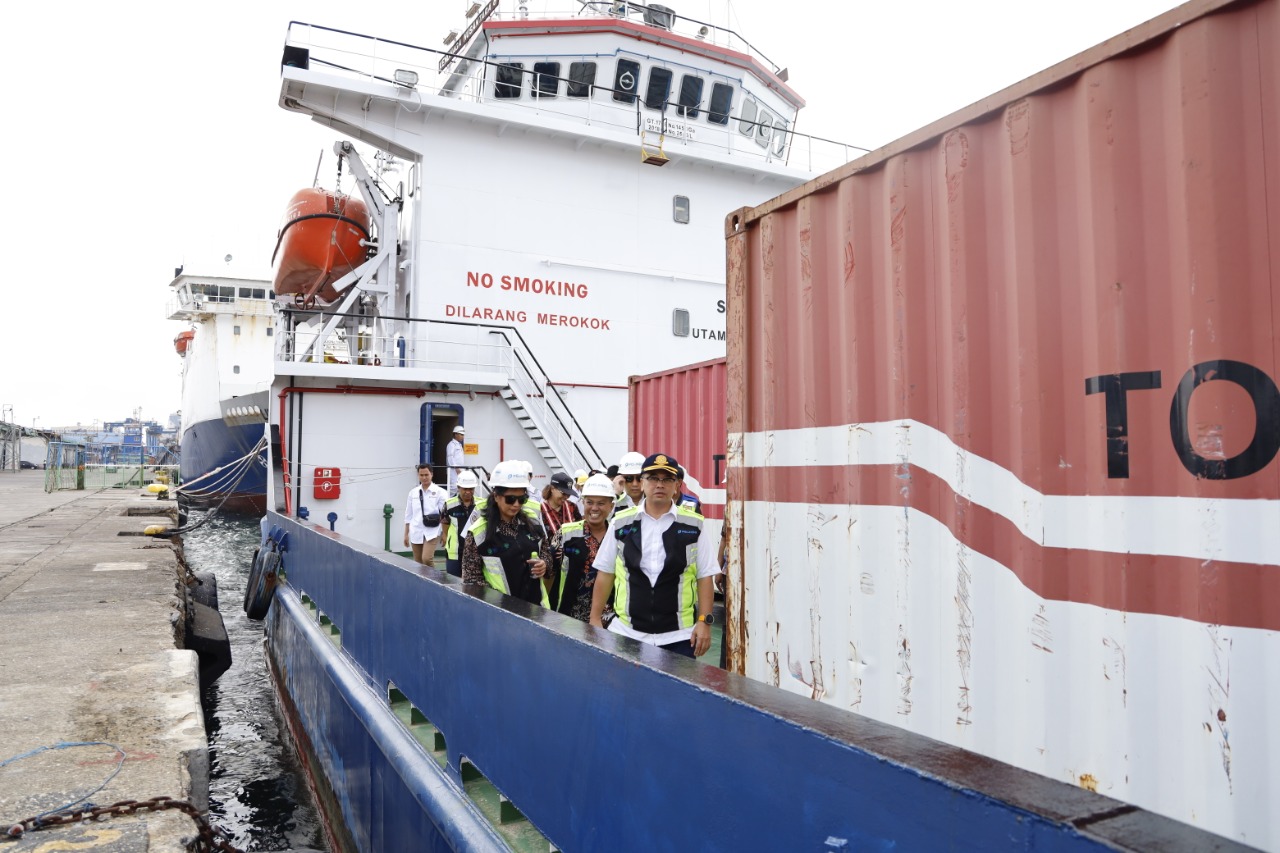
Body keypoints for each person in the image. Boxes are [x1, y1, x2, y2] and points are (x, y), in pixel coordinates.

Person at [589, 453, 720, 658]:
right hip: (626, 633)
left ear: (677, 485)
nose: (660, 484)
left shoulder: (694, 525)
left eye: (667, 479)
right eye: (652, 478)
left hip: (679, 637)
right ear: (642, 483)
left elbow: (705, 576)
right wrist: (595, 619)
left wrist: (704, 621)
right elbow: (606, 572)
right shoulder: (620, 522)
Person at [462, 460, 553, 607]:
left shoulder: (533, 521)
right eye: (510, 499)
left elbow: (546, 554)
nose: (516, 504)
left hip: (537, 610)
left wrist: (544, 564)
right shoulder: (479, 532)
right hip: (500, 613)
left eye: (522, 499)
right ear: (496, 496)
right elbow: (471, 580)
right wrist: (502, 602)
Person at [552, 474, 614, 621]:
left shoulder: (619, 535)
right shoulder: (566, 533)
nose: (594, 508)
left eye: (601, 503)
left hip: (609, 618)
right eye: (589, 502)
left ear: (611, 506)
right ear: (583, 503)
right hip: (570, 616)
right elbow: (550, 571)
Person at [403, 463, 447, 566]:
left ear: (431, 474)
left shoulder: (440, 492)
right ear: (418, 476)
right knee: (418, 562)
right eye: (421, 475)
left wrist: (445, 533)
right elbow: (408, 515)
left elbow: (445, 515)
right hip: (416, 530)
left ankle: (433, 579)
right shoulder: (413, 493)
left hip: (432, 530)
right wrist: (406, 534)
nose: (424, 477)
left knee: (426, 559)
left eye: (426, 475)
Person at [441, 469, 479, 577]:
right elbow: (445, 522)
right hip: (455, 553)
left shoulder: (481, 505)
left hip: (475, 553)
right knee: (453, 583)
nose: (468, 492)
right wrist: (445, 534)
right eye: (465, 488)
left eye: (471, 489)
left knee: (473, 586)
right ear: (458, 487)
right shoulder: (449, 505)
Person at [446, 426, 466, 495]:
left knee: (460, 487)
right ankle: (446, 502)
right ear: (455, 434)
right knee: (453, 487)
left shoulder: (459, 445)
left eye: (463, 435)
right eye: (461, 435)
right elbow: (450, 458)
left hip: (460, 470)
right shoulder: (451, 445)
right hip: (453, 470)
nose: (462, 437)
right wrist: (456, 468)